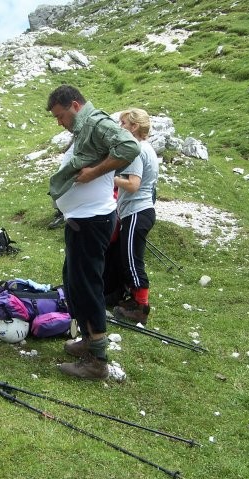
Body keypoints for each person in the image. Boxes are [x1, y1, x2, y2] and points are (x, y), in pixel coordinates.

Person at [47, 85, 140, 380]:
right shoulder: (84, 127)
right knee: (74, 283)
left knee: (87, 286)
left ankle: (97, 361)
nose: (59, 122)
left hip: (93, 220)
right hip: (80, 219)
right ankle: (87, 340)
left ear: (75, 105)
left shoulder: (97, 122)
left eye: (61, 116)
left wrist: (96, 172)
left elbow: (129, 147)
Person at [112, 108, 159, 324]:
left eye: (123, 123)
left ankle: (141, 308)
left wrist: (111, 177)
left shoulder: (137, 150)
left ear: (134, 127)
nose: (120, 127)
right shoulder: (147, 148)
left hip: (136, 212)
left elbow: (133, 185)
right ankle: (133, 299)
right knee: (128, 257)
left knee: (132, 261)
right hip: (141, 211)